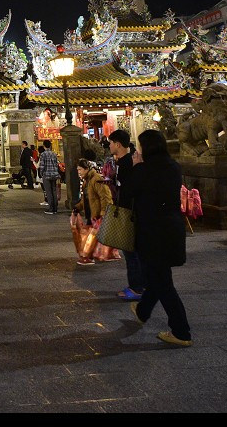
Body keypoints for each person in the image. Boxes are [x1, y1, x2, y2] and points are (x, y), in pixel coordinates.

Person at [128, 129, 192, 347]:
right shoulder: (173, 167)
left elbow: (128, 195)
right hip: (172, 228)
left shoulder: (144, 170)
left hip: (152, 231)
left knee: (163, 283)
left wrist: (135, 168)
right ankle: (143, 311)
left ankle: (181, 332)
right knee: (159, 275)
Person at [109, 129, 145, 301]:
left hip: (129, 212)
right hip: (129, 210)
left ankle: (137, 287)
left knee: (131, 251)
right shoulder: (125, 161)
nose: (109, 146)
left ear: (117, 144)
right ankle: (138, 285)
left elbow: (130, 188)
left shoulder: (127, 163)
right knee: (132, 251)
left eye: (110, 143)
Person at [75, 158, 121, 266]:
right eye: (78, 170)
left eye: (80, 169)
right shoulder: (87, 180)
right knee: (92, 237)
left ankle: (87, 257)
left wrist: (103, 212)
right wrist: (77, 207)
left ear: (87, 169)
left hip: (96, 214)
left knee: (90, 237)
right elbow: (86, 199)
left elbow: (106, 196)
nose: (79, 172)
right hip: (90, 213)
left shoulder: (96, 179)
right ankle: (98, 255)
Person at [38, 140, 61, 214]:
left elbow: (42, 166)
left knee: (48, 192)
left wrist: (41, 173)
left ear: (44, 145)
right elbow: (56, 164)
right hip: (54, 174)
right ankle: (55, 208)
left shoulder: (43, 154)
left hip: (47, 174)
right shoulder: (54, 154)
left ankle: (51, 208)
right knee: (54, 191)